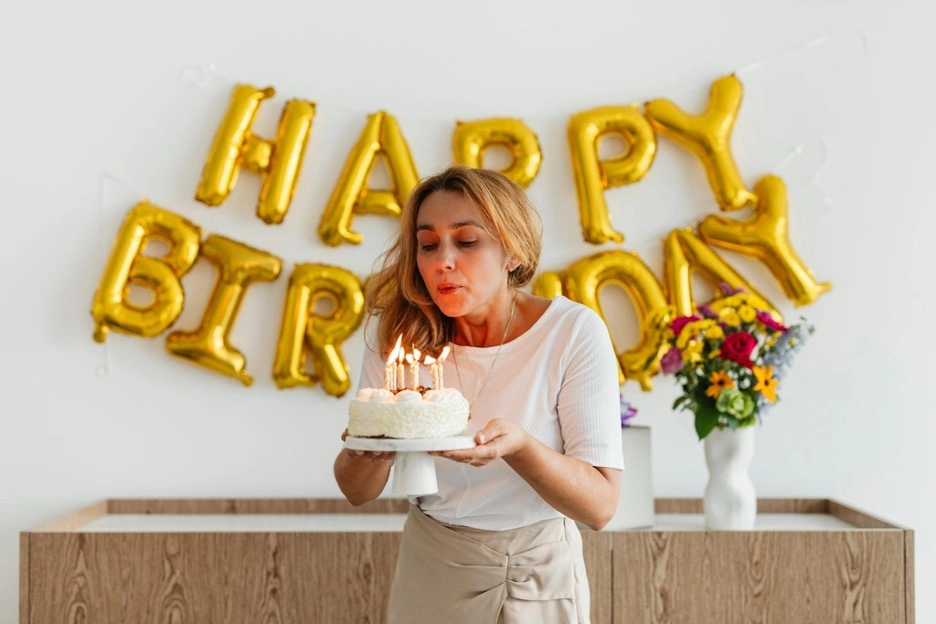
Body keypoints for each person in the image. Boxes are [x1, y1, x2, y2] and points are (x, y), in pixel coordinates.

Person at [333, 165, 623, 623]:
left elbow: (600, 507)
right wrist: (367, 451)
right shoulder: (399, 336)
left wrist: (521, 447)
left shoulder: (571, 332)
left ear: (513, 252)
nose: (441, 260)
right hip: (435, 564)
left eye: (466, 241)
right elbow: (356, 493)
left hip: (539, 569)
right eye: (427, 245)